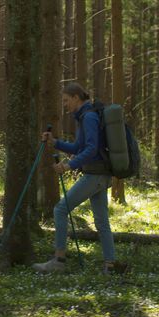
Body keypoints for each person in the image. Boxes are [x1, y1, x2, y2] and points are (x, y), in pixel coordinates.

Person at [32, 82, 125, 274]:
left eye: (66, 100)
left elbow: (91, 149)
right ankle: (110, 265)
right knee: (101, 221)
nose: (64, 104)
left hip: (95, 175)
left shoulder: (89, 117)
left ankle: (59, 260)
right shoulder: (85, 116)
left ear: (76, 98)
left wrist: (68, 165)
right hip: (101, 175)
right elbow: (78, 147)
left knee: (60, 209)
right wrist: (55, 142)